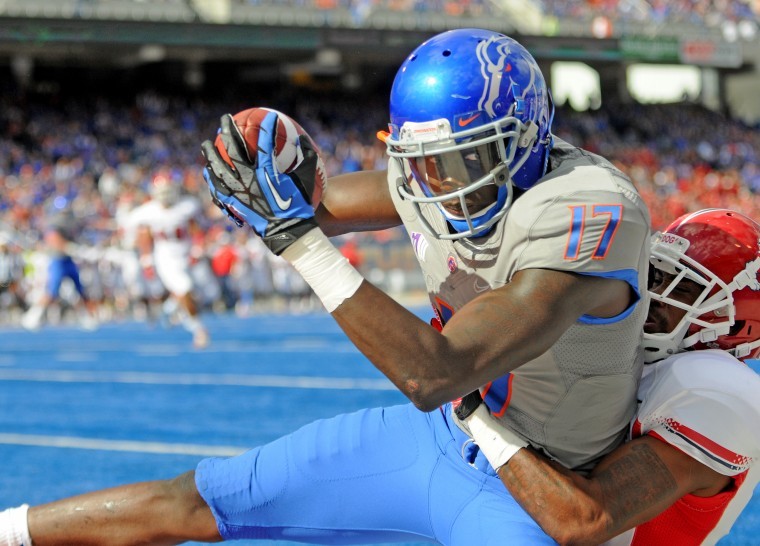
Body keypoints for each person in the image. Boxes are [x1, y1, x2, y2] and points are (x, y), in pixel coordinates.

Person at [0, 28, 651, 545]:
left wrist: (297, 240)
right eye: (426, 165)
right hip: (445, 440)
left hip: (538, 486)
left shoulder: (586, 211)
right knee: (193, 501)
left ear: (529, 138)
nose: (446, 184)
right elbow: (308, 204)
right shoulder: (428, 173)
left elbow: (437, 374)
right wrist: (254, 174)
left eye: (467, 161)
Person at [456, 208, 760, 546]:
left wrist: (474, 415)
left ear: (734, 322)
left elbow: (584, 519)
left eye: (683, 287)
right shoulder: (631, 354)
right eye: (656, 277)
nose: (654, 296)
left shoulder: (721, 391)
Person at [124, 170, 210, 348]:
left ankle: (168, 310)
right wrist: (146, 259)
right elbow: (144, 236)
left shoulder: (187, 206)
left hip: (186, 252)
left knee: (197, 294)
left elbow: (196, 230)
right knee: (185, 288)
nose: (165, 195)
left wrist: (197, 248)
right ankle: (198, 329)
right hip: (165, 256)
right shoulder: (148, 212)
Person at [20, 209, 99, 331]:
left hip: (68, 260)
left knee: (80, 290)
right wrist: (73, 248)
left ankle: (86, 316)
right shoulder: (55, 225)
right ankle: (33, 316)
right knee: (52, 291)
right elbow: (54, 240)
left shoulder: (69, 224)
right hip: (58, 260)